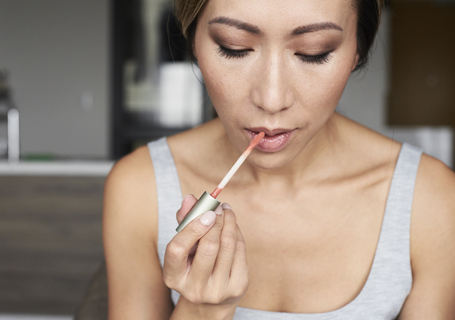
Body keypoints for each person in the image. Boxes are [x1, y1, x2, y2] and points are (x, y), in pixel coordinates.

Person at [103, 0, 455, 318]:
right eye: (234, 47)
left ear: (357, 51)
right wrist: (201, 312)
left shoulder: (432, 197)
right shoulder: (139, 185)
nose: (271, 99)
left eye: (313, 53)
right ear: (193, 40)